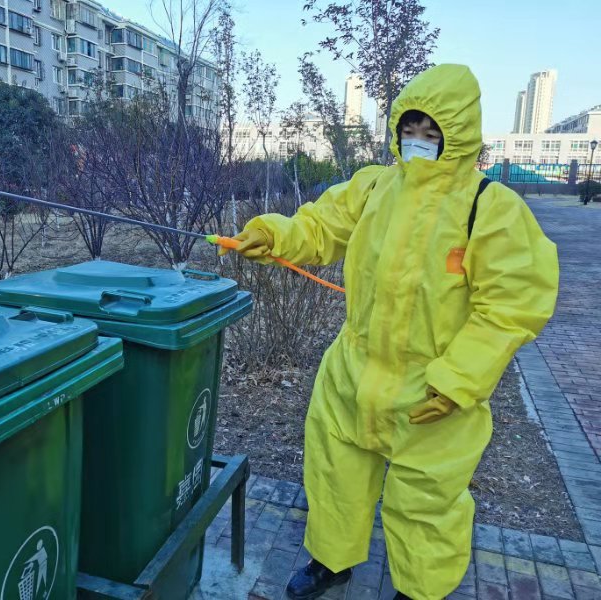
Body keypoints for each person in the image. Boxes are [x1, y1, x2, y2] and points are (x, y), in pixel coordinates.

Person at [222, 64, 559, 600]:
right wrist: (272, 235)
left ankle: (419, 590)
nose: (418, 142)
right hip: (353, 373)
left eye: (433, 132)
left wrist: (457, 381)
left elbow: (512, 305)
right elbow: (319, 225)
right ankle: (330, 561)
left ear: (461, 135)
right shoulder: (375, 186)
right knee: (336, 476)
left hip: (433, 390)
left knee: (425, 500)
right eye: (410, 128)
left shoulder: (489, 209)